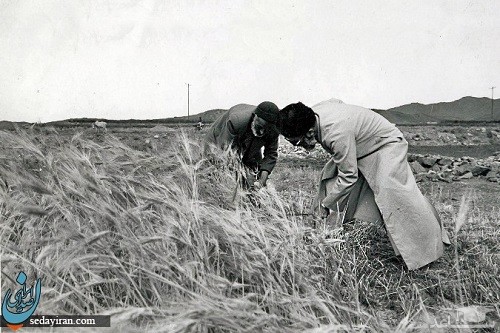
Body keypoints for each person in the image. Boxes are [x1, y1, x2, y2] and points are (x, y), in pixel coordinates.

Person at [279, 98, 450, 270]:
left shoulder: (336, 134)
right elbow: (336, 101)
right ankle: (329, 231)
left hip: (385, 143)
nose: (296, 147)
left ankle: (425, 251)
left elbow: (348, 177)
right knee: (328, 176)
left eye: (296, 142)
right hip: (363, 146)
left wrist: (325, 204)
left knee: (391, 191)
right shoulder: (311, 114)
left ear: (309, 133)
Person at [204, 101, 280, 189]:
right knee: (215, 168)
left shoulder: (274, 130)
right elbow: (224, 150)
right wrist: (238, 176)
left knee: (253, 173)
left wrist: (262, 180)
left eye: (266, 130)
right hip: (220, 136)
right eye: (260, 127)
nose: (262, 132)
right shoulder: (236, 121)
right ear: (255, 117)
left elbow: (271, 154)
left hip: (251, 139)